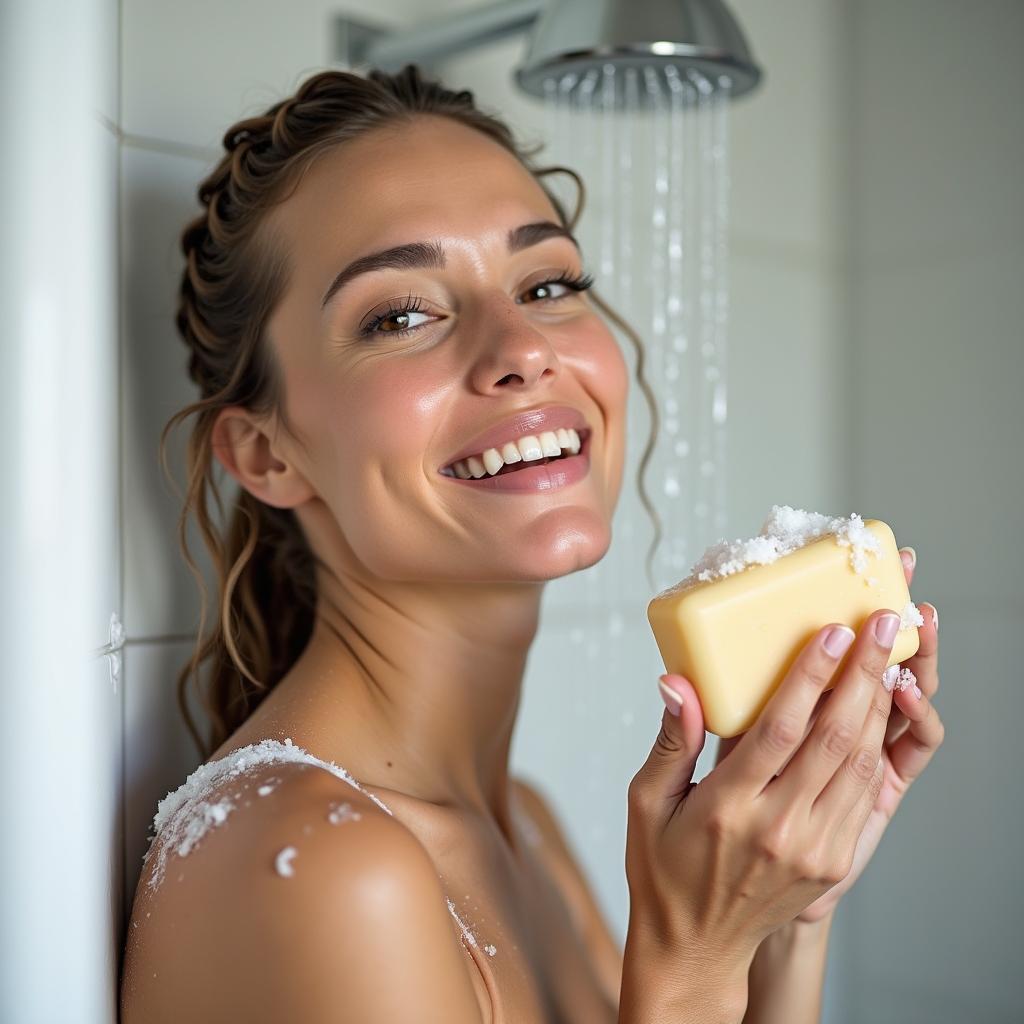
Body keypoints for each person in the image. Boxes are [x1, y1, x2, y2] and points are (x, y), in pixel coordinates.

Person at [119, 64, 944, 1023]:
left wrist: (788, 916)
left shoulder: (527, 829)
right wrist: (692, 960)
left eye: (547, 282)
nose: (522, 348)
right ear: (265, 454)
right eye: (402, 314)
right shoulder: (314, 866)